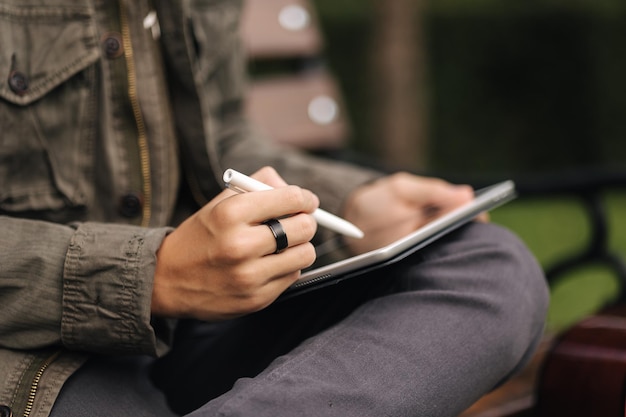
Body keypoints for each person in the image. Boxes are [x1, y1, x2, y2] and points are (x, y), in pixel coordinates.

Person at [0, 1, 549, 416]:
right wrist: (149, 277)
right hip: (36, 356)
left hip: (198, 325)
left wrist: (353, 206)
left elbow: (219, 139)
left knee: (490, 264)